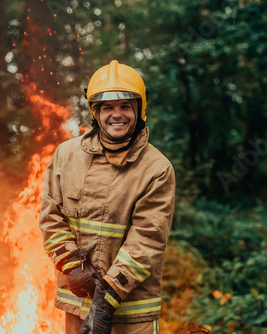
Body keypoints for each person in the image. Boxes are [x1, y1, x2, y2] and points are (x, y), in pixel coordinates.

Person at [39, 60, 176, 334]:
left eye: (126, 106)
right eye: (107, 107)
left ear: (140, 110)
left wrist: (105, 303)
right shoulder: (66, 156)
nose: (117, 115)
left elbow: (146, 241)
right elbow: (50, 219)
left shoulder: (157, 169)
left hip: (132, 314)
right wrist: (73, 268)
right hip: (78, 303)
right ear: (95, 112)